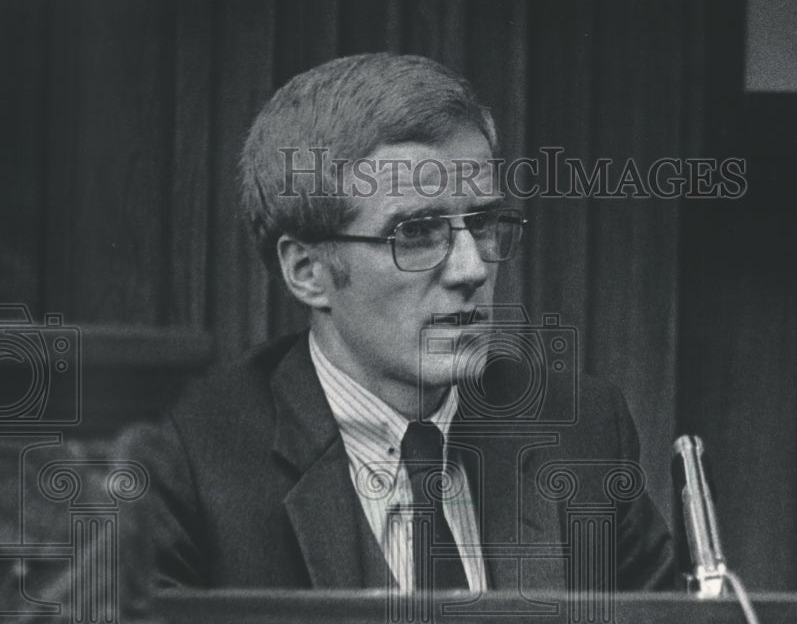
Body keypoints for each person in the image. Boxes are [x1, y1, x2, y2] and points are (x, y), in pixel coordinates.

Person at [126, 53, 673, 593]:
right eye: (415, 233)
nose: (473, 268)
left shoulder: (579, 432)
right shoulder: (189, 458)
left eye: (481, 223)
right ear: (308, 271)